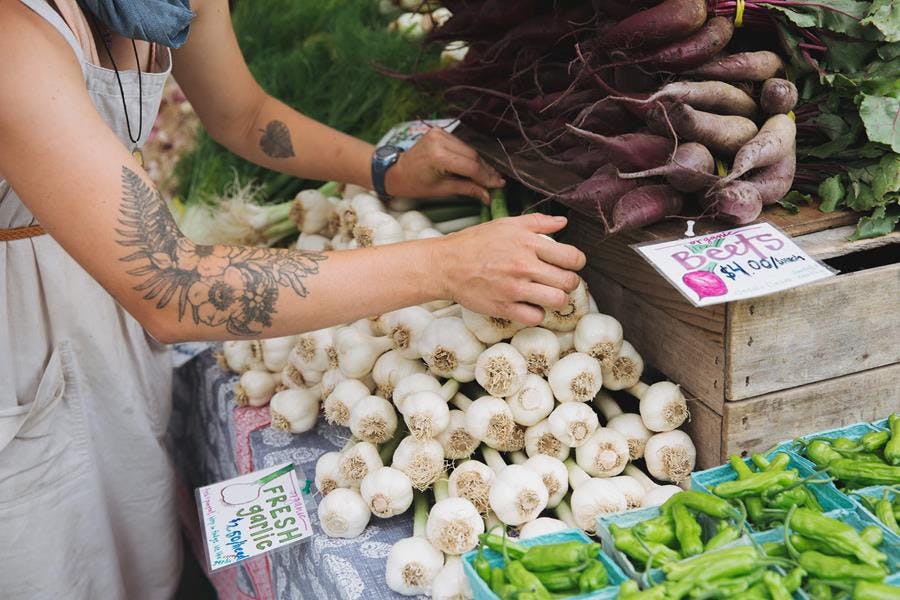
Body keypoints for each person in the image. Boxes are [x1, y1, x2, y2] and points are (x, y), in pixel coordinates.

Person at [0, 0, 587, 597]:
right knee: (52, 558)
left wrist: (383, 169)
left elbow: (247, 115)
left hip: (102, 310)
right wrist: (444, 263)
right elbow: (171, 289)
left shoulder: (166, 7)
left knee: (130, 545)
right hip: (21, 330)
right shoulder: (13, 37)